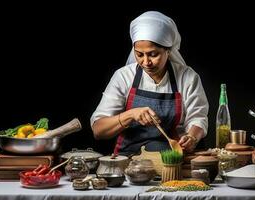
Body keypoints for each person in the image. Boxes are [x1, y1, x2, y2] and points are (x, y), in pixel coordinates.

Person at [90, 11, 209, 156]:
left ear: (168, 50)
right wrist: (130, 115)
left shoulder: (187, 77)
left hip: (171, 158)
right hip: (128, 160)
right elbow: (98, 130)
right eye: (139, 54)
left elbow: (198, 118)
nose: (146, 62)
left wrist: (192, 137)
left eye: (153, 54)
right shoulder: (123, 76)